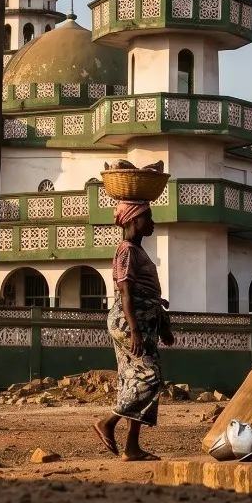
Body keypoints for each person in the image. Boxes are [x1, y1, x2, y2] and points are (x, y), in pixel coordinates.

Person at [93, 198, 172, 462]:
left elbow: (147, 293)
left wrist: (162, 326)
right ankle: (107, 422)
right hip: (130, 323)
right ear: (134, 220)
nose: (152, 223)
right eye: (148, 218)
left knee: (132, 382)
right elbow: (125, 290)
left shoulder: (137, 251)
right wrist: (135, 330)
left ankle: (132, 448)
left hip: (140, 322)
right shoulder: (126, 250)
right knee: (150, 378)